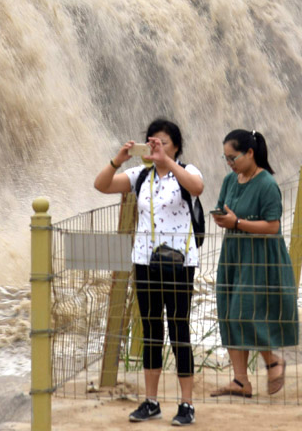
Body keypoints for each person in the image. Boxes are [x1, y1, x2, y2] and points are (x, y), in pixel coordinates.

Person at [94, 119, 204, 426]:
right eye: (151, 141)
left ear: (176, 146)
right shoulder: (140, 176)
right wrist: (119, 159)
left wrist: (167, 161)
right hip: (145, 263)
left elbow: (198, 188)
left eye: (163, 142)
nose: (156, 146)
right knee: (152, 330)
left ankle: (187, 404)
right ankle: (151, 401)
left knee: (179, 331)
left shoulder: (187, 171)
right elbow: (101, 185)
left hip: (180, 264)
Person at [210, 128, 299, 398]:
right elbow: (224, 208)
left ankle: (273, 361)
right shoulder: (230, 180)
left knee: (245, 311)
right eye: (225, 158)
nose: (229, 163)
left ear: (250, 153)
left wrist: (237, 223)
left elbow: (272, 226)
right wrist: (224, 218)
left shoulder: (267, 185)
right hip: (234, 254)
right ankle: (240, 381)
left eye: (233, 157)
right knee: (229, 311)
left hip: (260, 257)